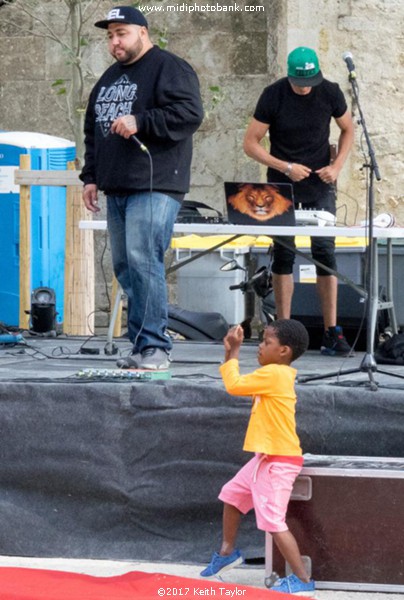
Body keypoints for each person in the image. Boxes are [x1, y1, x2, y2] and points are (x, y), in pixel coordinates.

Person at [80, 6, 203, 370]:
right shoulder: (107, 78)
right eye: (110, 36)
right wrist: (91, 176)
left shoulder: (170, 67)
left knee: (142, 258)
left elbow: (190, 113)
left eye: (122, 33)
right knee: (125, 266)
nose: (115, 41)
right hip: (116, 186)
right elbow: (94, 130)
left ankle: (155, 346)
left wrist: (141, 120)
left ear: (143, 33)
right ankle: (140, 345)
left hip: (156, 182)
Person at [243, 47, 355, 357]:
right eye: (299, 82)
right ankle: (283, 330)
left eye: (309, 82)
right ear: (289, 76)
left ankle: (332, 332)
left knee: (324, 252)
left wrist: (337, 167)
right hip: (282, 185)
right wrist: (284, 166)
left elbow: (348, 129)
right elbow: (250, 143)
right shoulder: (273, 95)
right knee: (283, 254)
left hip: (320, 184)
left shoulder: (330, 92)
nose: (304, 88)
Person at [200, 319, 315, 596]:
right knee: (231, 495)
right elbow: (236, 382)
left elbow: (234, 385)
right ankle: (227, 552)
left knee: (273, 522)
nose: (260, 347)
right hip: (265, 459)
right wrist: (230, 352)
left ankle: (302, 581)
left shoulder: (275, 373)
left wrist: (235, 350)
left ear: (284, 351)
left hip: (278, 462)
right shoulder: (274, 373)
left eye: (266, 342)